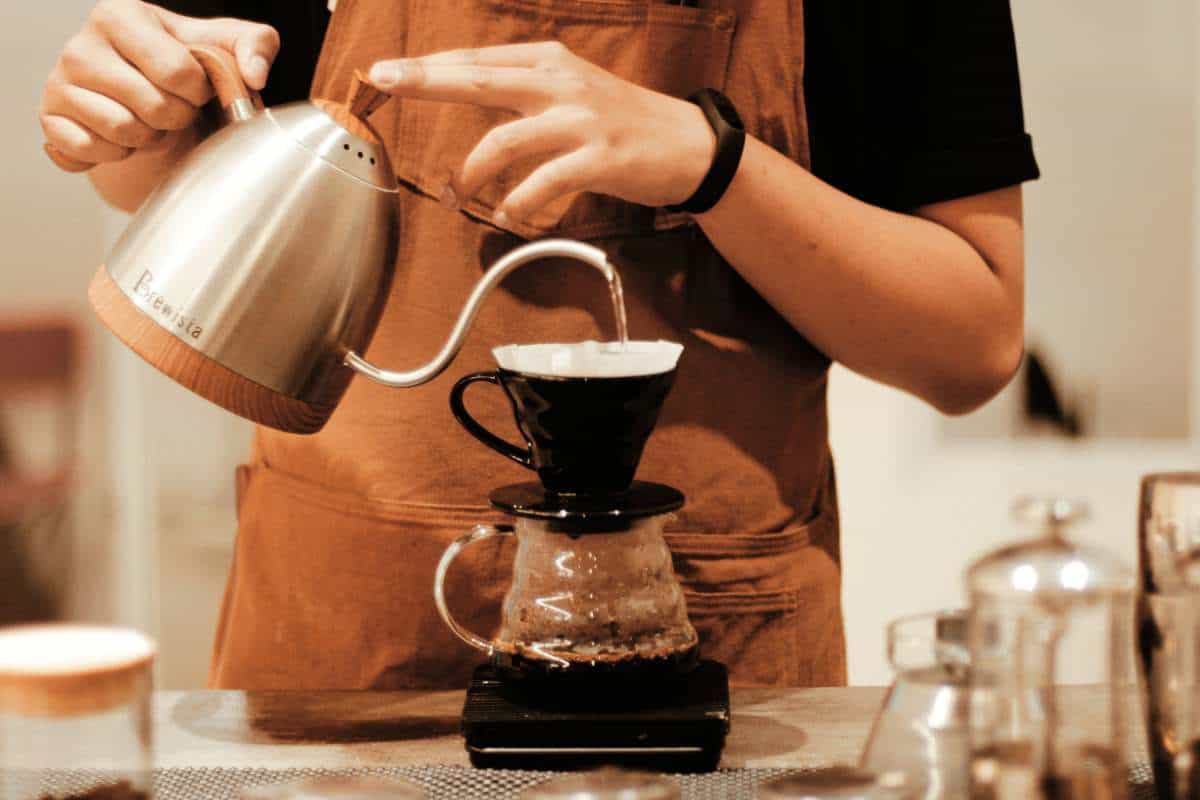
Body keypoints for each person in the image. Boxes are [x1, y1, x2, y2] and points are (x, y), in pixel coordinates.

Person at [39, 0, 1039, 689]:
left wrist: (713, 165)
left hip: (708, 663)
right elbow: (172, 154)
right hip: (336, 652)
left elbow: (970, 340)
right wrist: (127, 111)